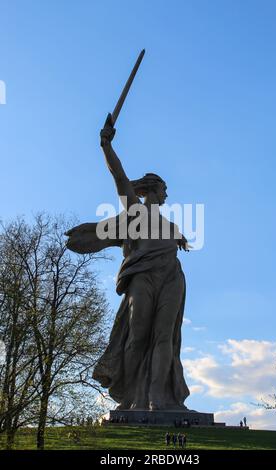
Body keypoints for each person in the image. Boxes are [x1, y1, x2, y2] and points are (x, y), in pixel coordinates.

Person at [87, 114, 190, 410]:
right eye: (164, 189)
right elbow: (119, 177)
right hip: (143, 279)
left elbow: (170, 240)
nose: (168, 194)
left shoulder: (170, 226)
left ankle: (159, 398)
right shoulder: (135, 211)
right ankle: (131, 397)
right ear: (152, 190)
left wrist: (178, 239)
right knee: (137, 337)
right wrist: (106, 145)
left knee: (165, 339)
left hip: (172, 277)